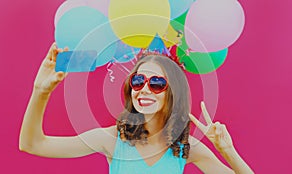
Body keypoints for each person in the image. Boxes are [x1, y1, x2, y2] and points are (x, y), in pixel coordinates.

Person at [19, 43, 254, 174]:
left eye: (157, 84)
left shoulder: (186, 148)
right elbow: (32, 144)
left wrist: (227, 150)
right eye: (138, 81)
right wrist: (41, 91)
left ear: (173, 93)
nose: (144, 89)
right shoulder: (112, 139)